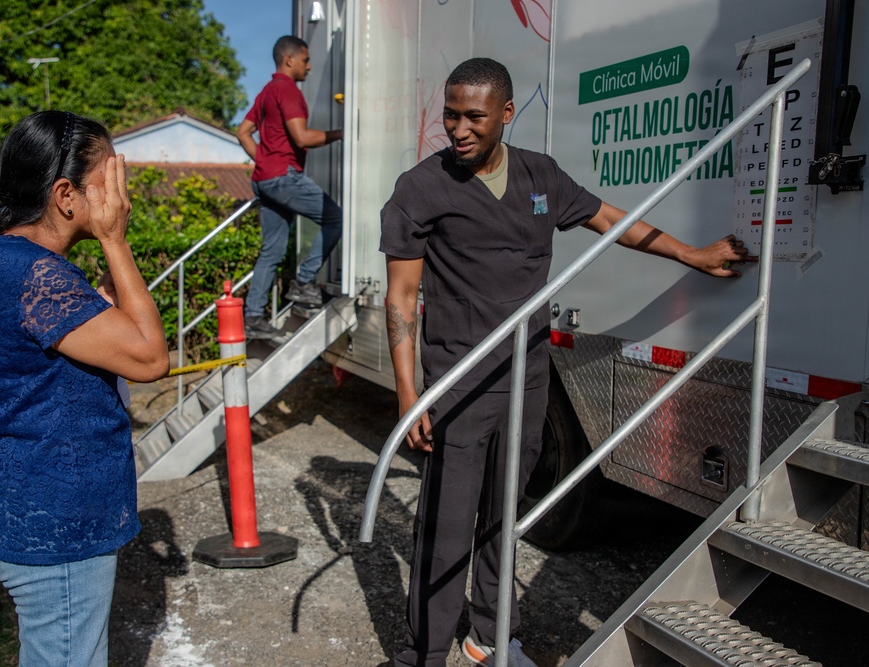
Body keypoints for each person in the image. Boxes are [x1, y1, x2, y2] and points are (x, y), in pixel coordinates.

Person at [380, 58, 751, 667]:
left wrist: (692, 254)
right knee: (445, 525)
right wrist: (407, 395)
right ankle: (424, 653)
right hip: (456, 382)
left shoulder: (539, 175)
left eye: (474, 115)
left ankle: (489, 639)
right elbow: (400, 297)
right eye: (451, 114)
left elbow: (610, 220)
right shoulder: (421, 187)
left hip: (527, 376)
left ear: (505, 113)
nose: (458, 128)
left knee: (505, 516)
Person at [0, 111, 169, 667]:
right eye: (109, 182)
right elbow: (149, 357)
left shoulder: (6, 260)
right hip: (58, 519)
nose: (120, 197)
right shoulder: (35, 276)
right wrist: (116, 241)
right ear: (67, 194)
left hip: (34, 506)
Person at [235, 35, 344, 339]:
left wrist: (265, 162)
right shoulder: (288, 90)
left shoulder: (268, 91)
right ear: (289, 59)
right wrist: (342, 133)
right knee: (335, 218)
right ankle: (304, 282)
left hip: (266, 179)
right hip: (284, 177)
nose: (309, 66)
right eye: (306, 60)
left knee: (272, 250)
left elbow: (243, 133)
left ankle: (254, 317)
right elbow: (303, 138)